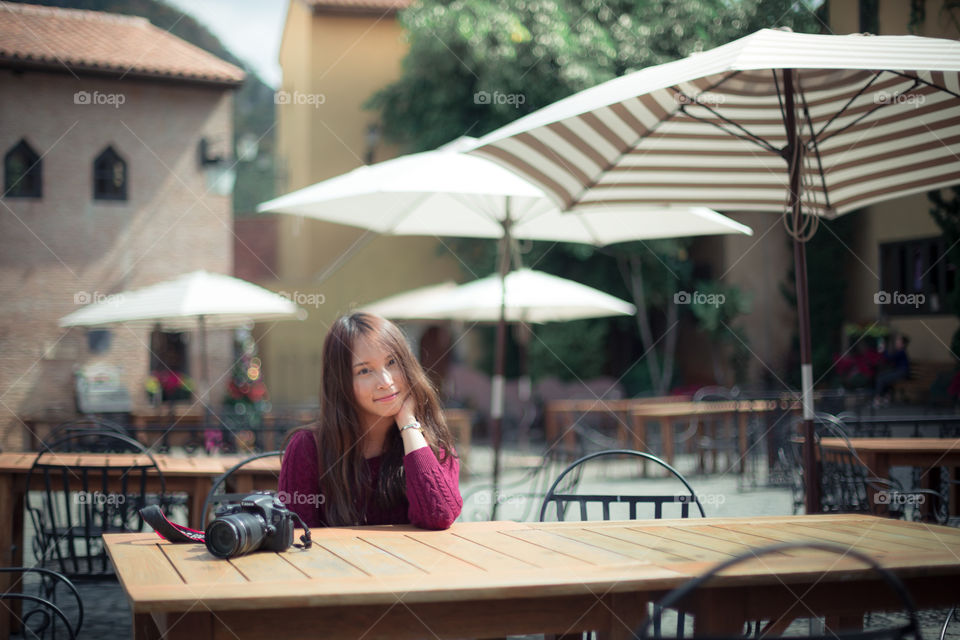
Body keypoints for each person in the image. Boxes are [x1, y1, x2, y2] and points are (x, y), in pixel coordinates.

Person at [278, 312, 462, 529]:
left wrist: (408, 424)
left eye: (392, 362)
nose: (385, 381)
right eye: (365, 370)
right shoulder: (308, 448)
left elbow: (439, 516)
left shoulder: (430, 442)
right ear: (341, 382)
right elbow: (296, 538)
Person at [874, 333, 911, 403]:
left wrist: (883, 351)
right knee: (881, 376)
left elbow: (890, 358)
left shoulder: (901, 352)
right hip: (898, 371)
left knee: (882, 379)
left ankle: (878, 398)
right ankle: (886, 397)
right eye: (897, 341)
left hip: (902, 373)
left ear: (903, 344)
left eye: (898, 341)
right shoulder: (899, 351)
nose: (896, 343)